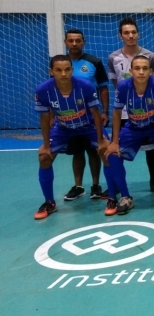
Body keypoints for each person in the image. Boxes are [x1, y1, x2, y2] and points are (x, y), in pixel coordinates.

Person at [33, 55, 109, 219]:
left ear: (72, 70)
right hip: (63, 128)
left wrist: (101, 140)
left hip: (88, 126)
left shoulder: (85, 86)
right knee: (44, 157)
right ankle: (50, 202)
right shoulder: (43, 90)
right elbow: (44, 118)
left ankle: (113, 198)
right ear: (51, 71)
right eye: (58, 70)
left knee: (108, 153)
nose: (63, 74)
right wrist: (46, 145)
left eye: (67, 69)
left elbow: (96, 114)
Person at [103, 55, 154, 216]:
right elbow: (116, 113)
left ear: (150, 71)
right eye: (137, 68)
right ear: (131, 71)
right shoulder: (123, 86)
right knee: (112, 155)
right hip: (133, 127)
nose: (141, 72)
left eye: (145, 68)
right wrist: (114, 141)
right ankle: (125, 197)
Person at [107, 17, 154, 196]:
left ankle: (153, 180)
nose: (130, 36)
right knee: (117, 148)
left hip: (148, 111)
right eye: (126, 33)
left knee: (151, 149)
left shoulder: (150, 56)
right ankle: (117, 184)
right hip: (124, 113)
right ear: (120, 35)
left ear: (138, 34)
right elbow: (116, 84)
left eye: (133, 32)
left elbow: (153, 83)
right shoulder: (113, 58)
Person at [63, 29, 109, 201]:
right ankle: (78, 186)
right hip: (70, 118)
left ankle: (96, 185)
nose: (74, 43)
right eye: (71, 40)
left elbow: (103, 88)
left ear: (84, 42)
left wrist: (105, 112)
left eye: (78, 40)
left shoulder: (94, 62)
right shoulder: (61, 63)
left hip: (91, 116)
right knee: (77, 152)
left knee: (94, 151)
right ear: (66, 42)